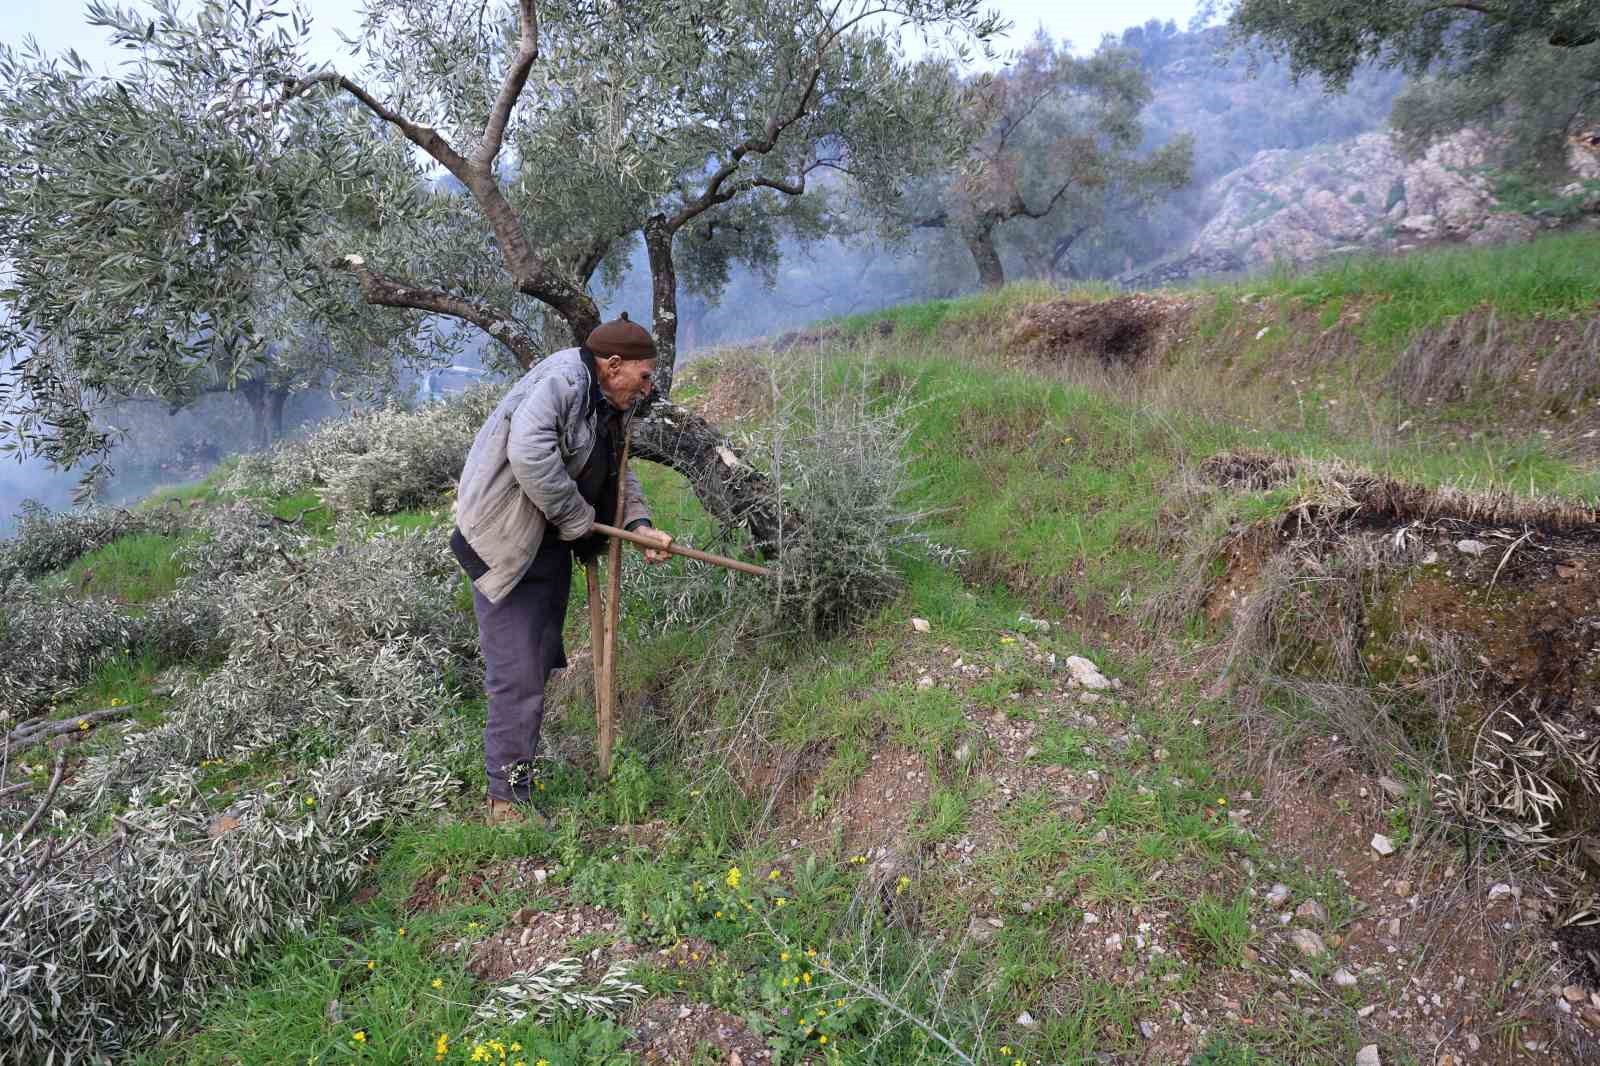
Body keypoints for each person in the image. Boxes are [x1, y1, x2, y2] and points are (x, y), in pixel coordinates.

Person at [450, 314, 674, 824]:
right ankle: (507, 804)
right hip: (507, 542)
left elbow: (616, 467)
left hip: (545, 537)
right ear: (612, 365)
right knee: (518, 672)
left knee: (537, 659)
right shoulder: (563, 383)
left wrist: (638, 523)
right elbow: (529, 453)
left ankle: (519, 772)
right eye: (643, 375)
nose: (650, 385)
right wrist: (579, 519)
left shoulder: (607, 398)